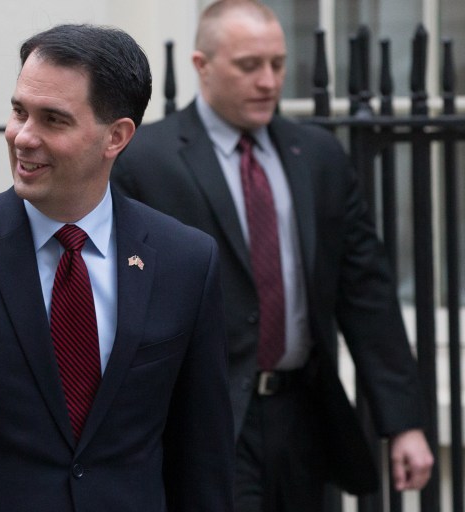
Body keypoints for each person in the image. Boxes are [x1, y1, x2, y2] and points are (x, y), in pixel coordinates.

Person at [0, 23, 233, 512]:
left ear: (116, 137)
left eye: (53, 120)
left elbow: (203, 463)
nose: (23, 137)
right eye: (19, 111)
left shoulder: (185, 261)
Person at [111, 1, 435, 511]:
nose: (268, 81)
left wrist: (405, 422)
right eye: (249, 65)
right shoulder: (145, 163)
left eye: (278, 64)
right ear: (202, 65)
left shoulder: (320, 156)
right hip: (207, 419)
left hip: (305, 415)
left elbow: (366, 292)